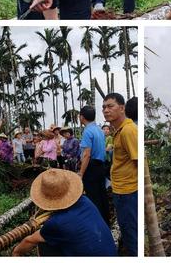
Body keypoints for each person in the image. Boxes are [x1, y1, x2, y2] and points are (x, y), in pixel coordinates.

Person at [12, 169, 117, 256]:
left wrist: (16, 253)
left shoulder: (56, 223)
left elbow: (30, 240)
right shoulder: (85, 201)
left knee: (44, 244)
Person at [102, 93, 138, 256]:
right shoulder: (119, 131)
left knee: (131, 234)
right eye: (104, 107)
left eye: (110, 106)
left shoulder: (128, 131)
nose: (106, 110)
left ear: (122, 108)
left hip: (128, 192)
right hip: (122, 190)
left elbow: (138, 162)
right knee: (127, 230)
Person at [79, 106, 110, 224]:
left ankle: (97, 222)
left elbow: (86, 154)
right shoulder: (99, 130)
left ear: (82, 117)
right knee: (102, 194)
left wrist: (81, 173)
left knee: (93, 196)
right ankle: (105, 220)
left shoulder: (87, 131)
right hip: (101, 166)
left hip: (91, 167)